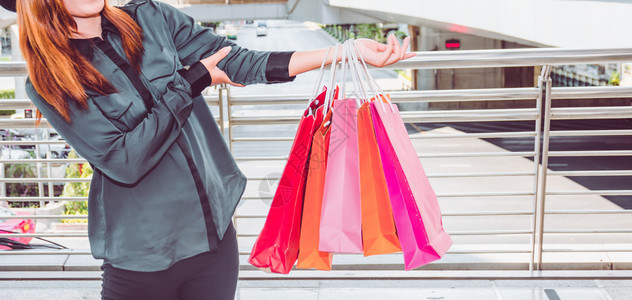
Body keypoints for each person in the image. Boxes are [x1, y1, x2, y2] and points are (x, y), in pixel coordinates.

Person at [1, 0, 414, 299]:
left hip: (213, 240)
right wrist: (191, 81)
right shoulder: (50, 83)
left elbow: (240, 61)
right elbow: (125, 161)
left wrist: (343, 51)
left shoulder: (151, 17)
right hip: (139, 260)